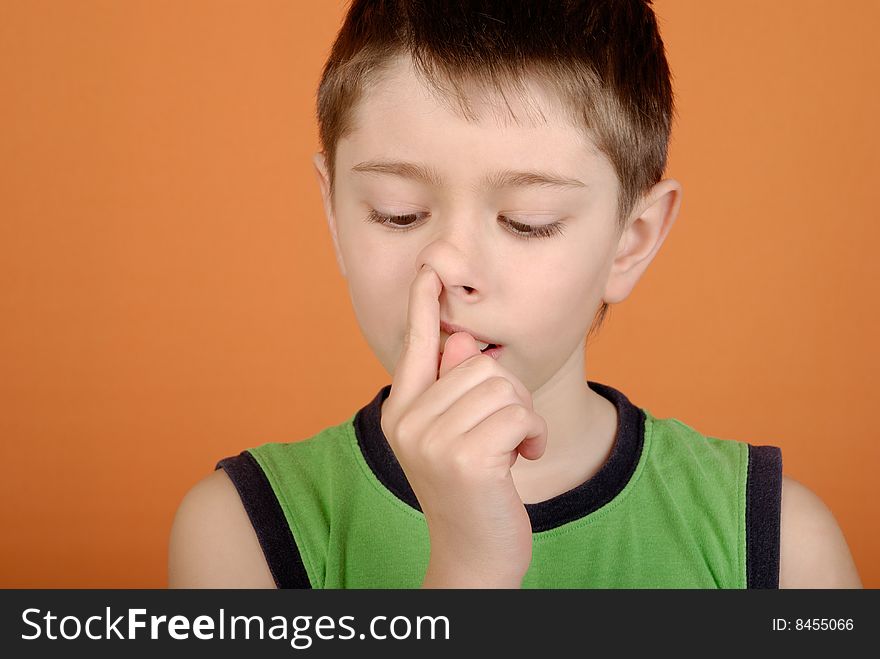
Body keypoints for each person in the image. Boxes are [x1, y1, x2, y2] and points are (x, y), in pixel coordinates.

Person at [168, 0, 862, 588]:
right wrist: (468, 569)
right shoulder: (245, 531)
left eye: (529, 222)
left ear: (633, 238)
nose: (449, 263)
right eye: (397, 211)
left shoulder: (775, 543)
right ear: (333, 212)